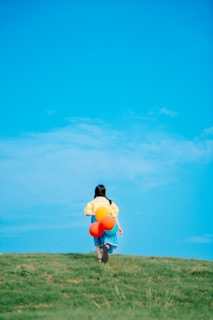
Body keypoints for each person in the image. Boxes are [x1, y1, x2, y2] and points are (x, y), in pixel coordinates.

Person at [84, 184, 123, 263]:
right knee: (107, 235)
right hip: (107, 220)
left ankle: (99, 257)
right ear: (105, 193)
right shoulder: (109, 202)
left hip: (96, 220)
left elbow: (87, 213)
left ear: (95, 192)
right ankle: (106, 246)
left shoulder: (92, 202)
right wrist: (119, 227)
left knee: (97, 237)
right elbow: (114, 216)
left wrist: (96, 213)